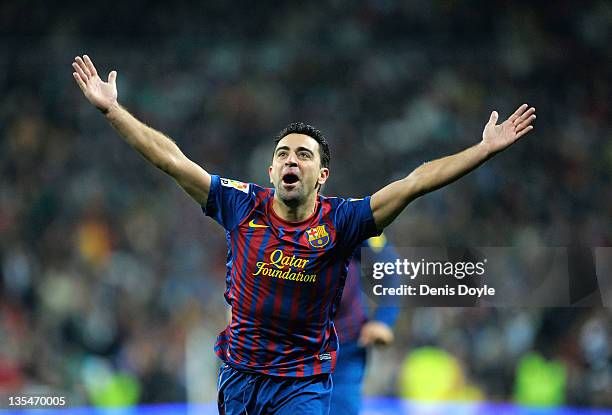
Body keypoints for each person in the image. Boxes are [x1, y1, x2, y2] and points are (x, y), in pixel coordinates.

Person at [71, 54, 536, 414]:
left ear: (323, 174)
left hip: (303, 382)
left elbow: (415, 183)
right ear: (271, 169)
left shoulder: (344, 221)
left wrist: (482, 150)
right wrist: (113, 111)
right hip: (239, 376)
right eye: (284, 153)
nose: (292, 159)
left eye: (304, 155)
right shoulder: (240, 203)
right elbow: (171, 159)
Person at [331, 234, 399, 415]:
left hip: (346, 344)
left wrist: (383, 320)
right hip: (292, 346)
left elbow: (388, 265)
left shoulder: (348, 212)